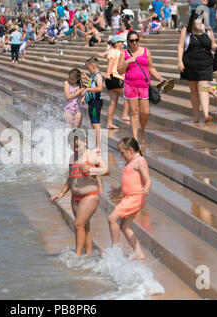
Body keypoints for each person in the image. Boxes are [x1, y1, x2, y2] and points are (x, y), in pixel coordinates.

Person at [49, 129, 109, 257]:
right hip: (75, 198)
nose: (75, 148)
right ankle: (88, 254)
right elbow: (71, 177)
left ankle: (77, 255)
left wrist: (92, 169)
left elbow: (106, 170)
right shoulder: (72, 158)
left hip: (90, 196)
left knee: (78, 224)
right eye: (72, 146)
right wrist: (61, 193)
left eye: (78, 145)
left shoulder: (92, 155)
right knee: (84, 226)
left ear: (85, 141)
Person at [118, 31, 166, 144]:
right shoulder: (124, 53)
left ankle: (142, 130)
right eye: (132, 41)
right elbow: (120, 71)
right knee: (134, 112)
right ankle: (134, 138)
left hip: (144, 86)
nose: (134, 43)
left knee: (145, 112)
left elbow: (151, 68)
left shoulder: (146, 52)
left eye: (136, 40)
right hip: (131, 85)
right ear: (128, 42)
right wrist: (127, 62)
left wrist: (160, 78)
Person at [107, 137, 150, 261]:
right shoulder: (130, 162)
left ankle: (114, 249)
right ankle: (139, 253)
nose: (121, 156)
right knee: (125, 227)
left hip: (134, 198)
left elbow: (147, 179)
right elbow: (129, 180)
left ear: (131, 150)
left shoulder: (139, 162)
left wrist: (147, 187)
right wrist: (119, 189)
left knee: (112, 219)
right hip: (130, 198)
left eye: (122, 153)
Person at [177, 10, 217, 123]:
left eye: (201, 20)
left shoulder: (208, 30)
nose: (199, 22)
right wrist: (179, 61)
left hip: (206, 63)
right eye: (197, 19)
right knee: (193, 90)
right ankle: (196, 116)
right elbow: (181, 46)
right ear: (192, 20)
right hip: (190, 63)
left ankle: (206, 115)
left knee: (203, 88)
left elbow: (212, 45)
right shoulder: (186, 30)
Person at [105, 35, 130, 129]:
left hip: (114, 77)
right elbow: (110, 63)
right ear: (116, 43)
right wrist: (108, 75)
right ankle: (124, 115)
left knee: (113, 102)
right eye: (121, 42)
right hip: (115, 77)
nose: (123, 44)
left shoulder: (119, 52)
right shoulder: (114, 52)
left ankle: (109, 123)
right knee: (128, 95)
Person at [82, 57, 104, 151]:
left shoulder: (98, 76)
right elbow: (92, 84)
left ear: (93, 66)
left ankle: (99, 146)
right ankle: (95, 144)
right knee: (93, 124)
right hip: (91, 102)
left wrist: (87, 89)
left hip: (96, 103)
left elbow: (99, 88)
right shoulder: (93, 75)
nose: (88, 69)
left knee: (96, 124)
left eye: (88, 67)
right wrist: (86, 78)